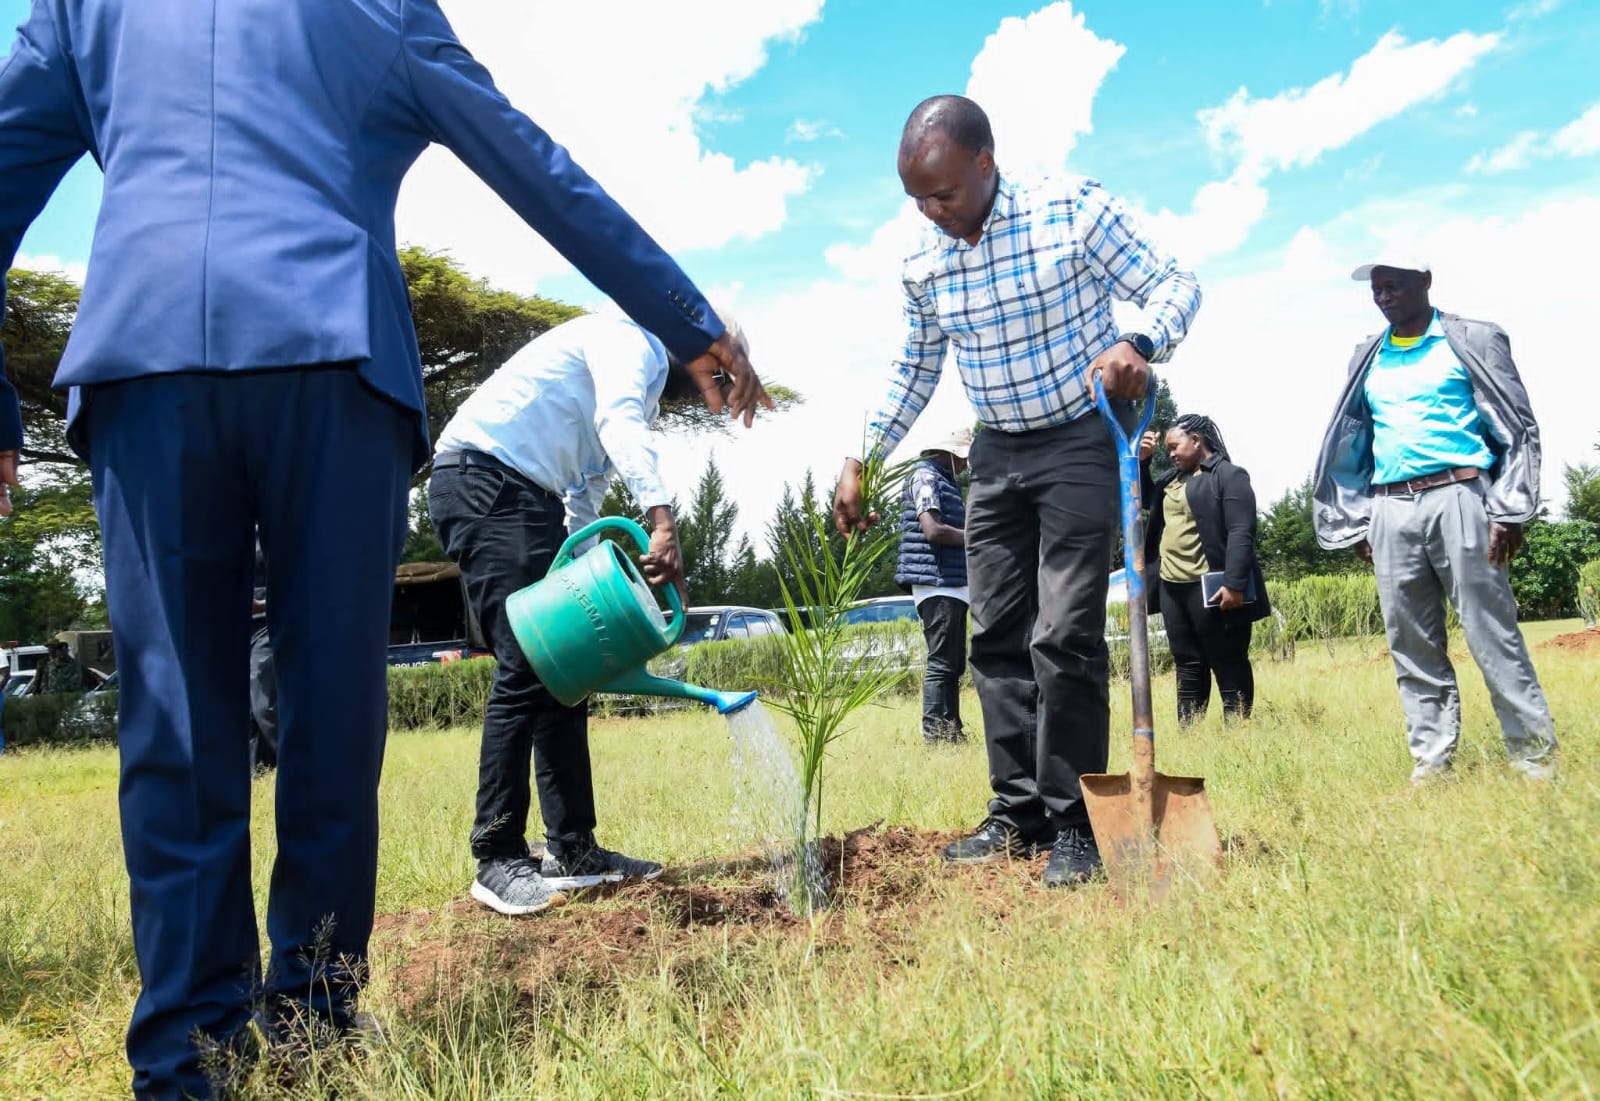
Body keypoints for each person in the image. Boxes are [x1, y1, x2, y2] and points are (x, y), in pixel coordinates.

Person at [0, 4, 769, 1097]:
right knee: (328, 713)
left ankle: (186, 1058)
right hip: (333, 359)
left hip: (147, 360)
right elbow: (524, 156)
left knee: (174, 722)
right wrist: (684, 316)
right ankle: (311, 1021)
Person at [833, 95, 1201, 889]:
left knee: (1063, 630)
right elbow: (913, 367)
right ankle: (1019, 810)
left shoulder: (1071, 209)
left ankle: (1077, 821)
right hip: (996, 451)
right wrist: (862, 453)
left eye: (945, 194)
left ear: (986, 163)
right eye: (918, 201)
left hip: (1079, 436)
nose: (933, 213)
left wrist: (1141, 341)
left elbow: (1177, 281)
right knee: (996, 631)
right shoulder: (925, 263)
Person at [430, 308, 753, 916]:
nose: (716, 384)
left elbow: (586, 493)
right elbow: (617, 422)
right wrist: (662, 518)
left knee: (565, 666)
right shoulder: (632, 340)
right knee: (527, 664)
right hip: (489, 483)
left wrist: (581, 574)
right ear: (699, 344)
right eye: (719, 369)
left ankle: (574, 850)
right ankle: (496, 854)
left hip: (521, 492)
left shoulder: (640, 372)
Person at [1312, 257, 1557, 784]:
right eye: (1377, 289)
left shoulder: (1472, 339)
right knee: (1410, 642)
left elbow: (1518, 427)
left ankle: (1533, 758)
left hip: (1460, 494)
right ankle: (1432, 764)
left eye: (1394, 285)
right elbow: (1355, 441)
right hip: (1389, 508)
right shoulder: (1367, 357)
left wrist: (1510, 509)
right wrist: (1360, 519)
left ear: (1426, 282)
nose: (1383, 296)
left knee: (1491, 631)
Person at [1138, 415, 1269, 724]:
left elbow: (1241, 531)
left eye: (1175, 446)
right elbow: (1145, 499)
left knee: (1227, 660)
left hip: (1211, 586)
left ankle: (1237, 731)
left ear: (1196, 441)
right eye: (1167, 448)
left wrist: (1235, 583)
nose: (1170, 454)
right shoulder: (1172, 480)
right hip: (1172, 587)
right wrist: (1142, 463)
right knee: (1187, 662)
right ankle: (1191, 733)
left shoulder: (1229, 476)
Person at [894, 430, 973, 745]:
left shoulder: (944, 480)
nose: (966, 464)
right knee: (941, 662)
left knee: (953, 662)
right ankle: (934, 735)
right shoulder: (926, 478)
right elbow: (933, 530)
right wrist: (977, 537)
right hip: (937, 582)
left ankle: (952, 732)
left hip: (950, 582)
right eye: (963, 457)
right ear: (950, 454)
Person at [248, 538, 278, 772]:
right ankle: (257, 771)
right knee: (247, 709)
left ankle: (300, 764)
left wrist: (263, 603)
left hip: (267, 623)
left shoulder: (274, 533)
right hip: (235, 627)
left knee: (264, 701)